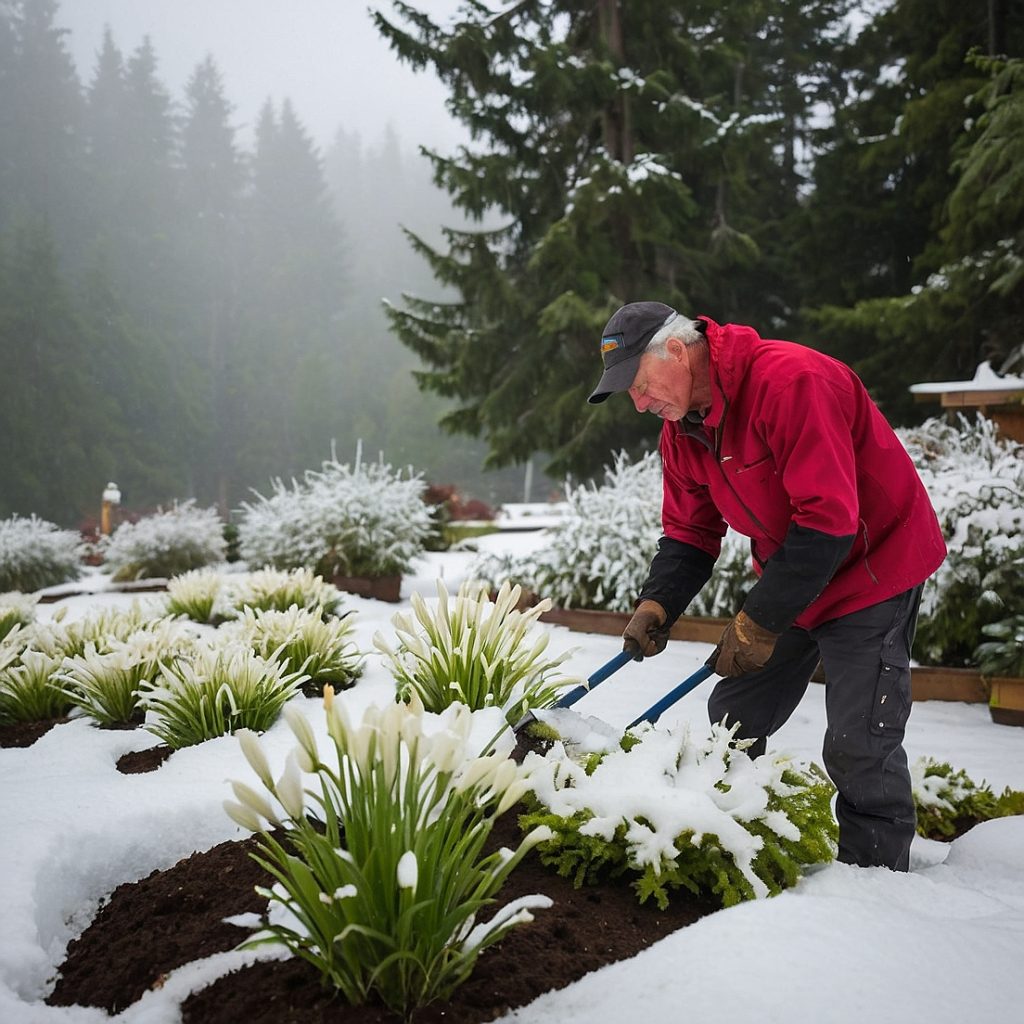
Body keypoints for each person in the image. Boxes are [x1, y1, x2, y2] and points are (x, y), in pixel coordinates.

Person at [588, 301, 946, 872]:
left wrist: (758, 621)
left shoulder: (789, 382)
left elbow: (829, 520)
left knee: (859, 741)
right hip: (798, 569)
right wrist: (658, 603)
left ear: (677, 351)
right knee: (733, 716)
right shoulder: (682, 432)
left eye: (639, 383)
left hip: (872, 566)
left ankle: (876, 885)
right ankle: (729, 845)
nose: (638, 402)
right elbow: (689, 533)